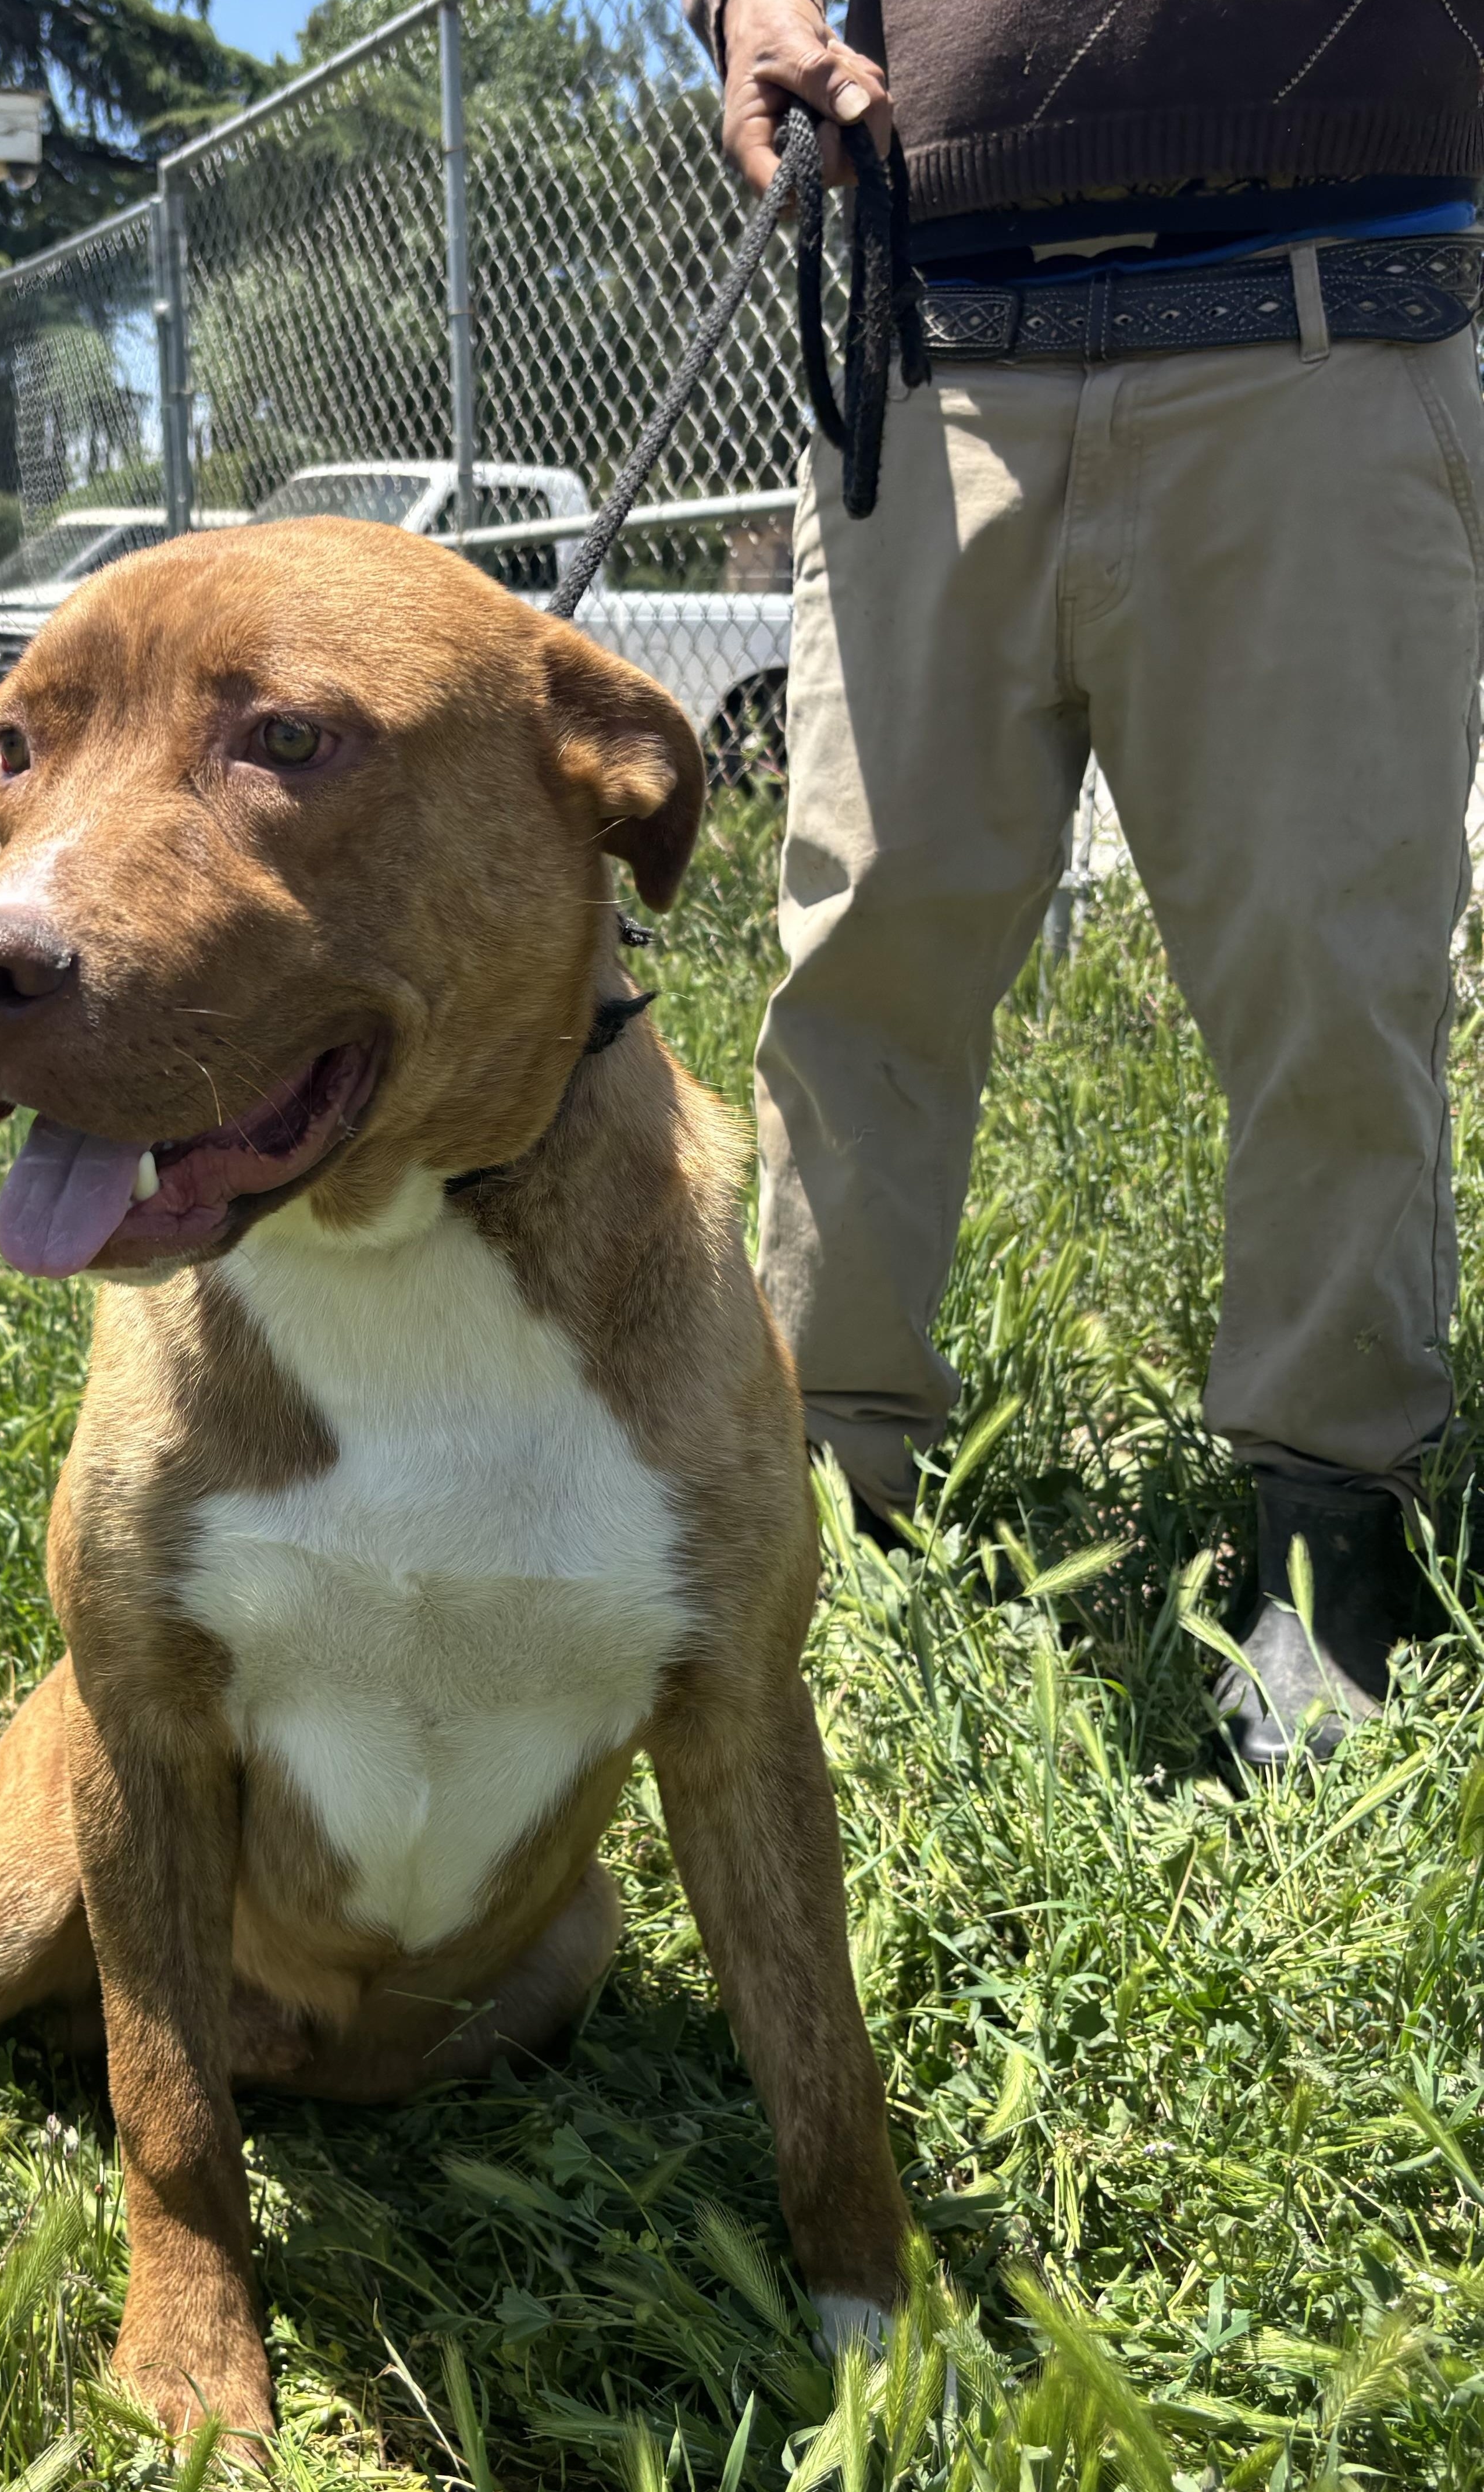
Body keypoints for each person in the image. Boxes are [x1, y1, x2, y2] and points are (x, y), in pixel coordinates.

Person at [686, 0, 1484, 1768]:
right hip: (929, 335)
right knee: (861, 943)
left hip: (1324, 314)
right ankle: (825, 1476)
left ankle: (1330, 1518)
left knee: (1328, 952)